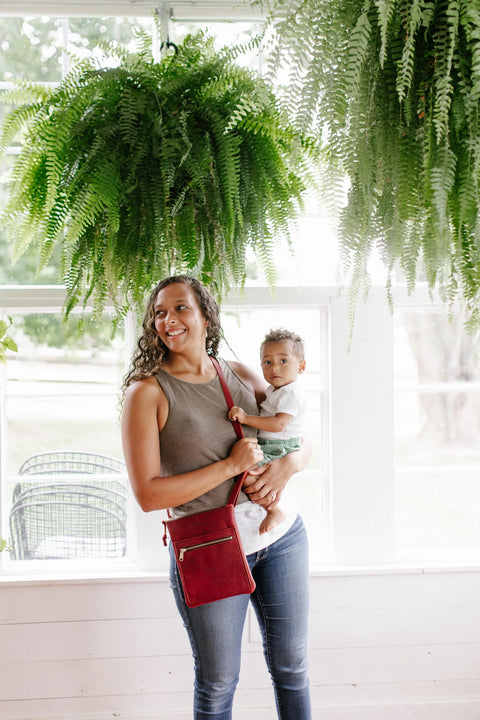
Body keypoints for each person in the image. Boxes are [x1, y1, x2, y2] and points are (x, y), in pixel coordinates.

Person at [121, 275, 312, 720]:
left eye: (181, 307)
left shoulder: (240, 372)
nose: (169, 319)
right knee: (218, 683)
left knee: (292, 668)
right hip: (209, 548)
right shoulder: (146, 393)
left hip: (281, 539)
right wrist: (228, 467)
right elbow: (148, 494)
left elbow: (299, 435)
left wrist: (289, 465)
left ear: (206, 315)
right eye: (160, 312)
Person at [228, 328, 306, 534]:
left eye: (283, 361)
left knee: (246, 471)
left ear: (301, 366)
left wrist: (245, 418)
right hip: (274, 443)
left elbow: (278, 424)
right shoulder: (275, 390)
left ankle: (274, 509)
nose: (275, 368)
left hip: (279, 445)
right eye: (267, 362)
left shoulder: (290, 393)